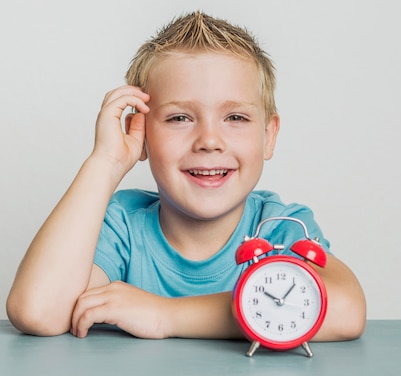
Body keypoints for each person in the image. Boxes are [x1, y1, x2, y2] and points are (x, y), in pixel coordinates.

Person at [6, 11, 366, 341]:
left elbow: (346, 311)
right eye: (180, 118)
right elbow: (38, 311)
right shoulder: (123, 227)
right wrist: (105, 162)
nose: (209, 141)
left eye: (235, 118)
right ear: (141, 132)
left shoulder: (279, 227)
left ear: (269, 135)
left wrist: (166, 316)